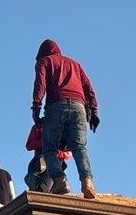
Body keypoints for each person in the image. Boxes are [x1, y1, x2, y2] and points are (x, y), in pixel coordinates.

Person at [30, 40, 99, 197]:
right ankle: (87, 181)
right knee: (79, 147)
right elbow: (89, 89)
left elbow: (40, 85)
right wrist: (94, 111)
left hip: (56, 106)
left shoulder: (45, 61)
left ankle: (60, 180)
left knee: (49, 148)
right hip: (79, 108)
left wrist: (36, 107)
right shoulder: (75, 64)